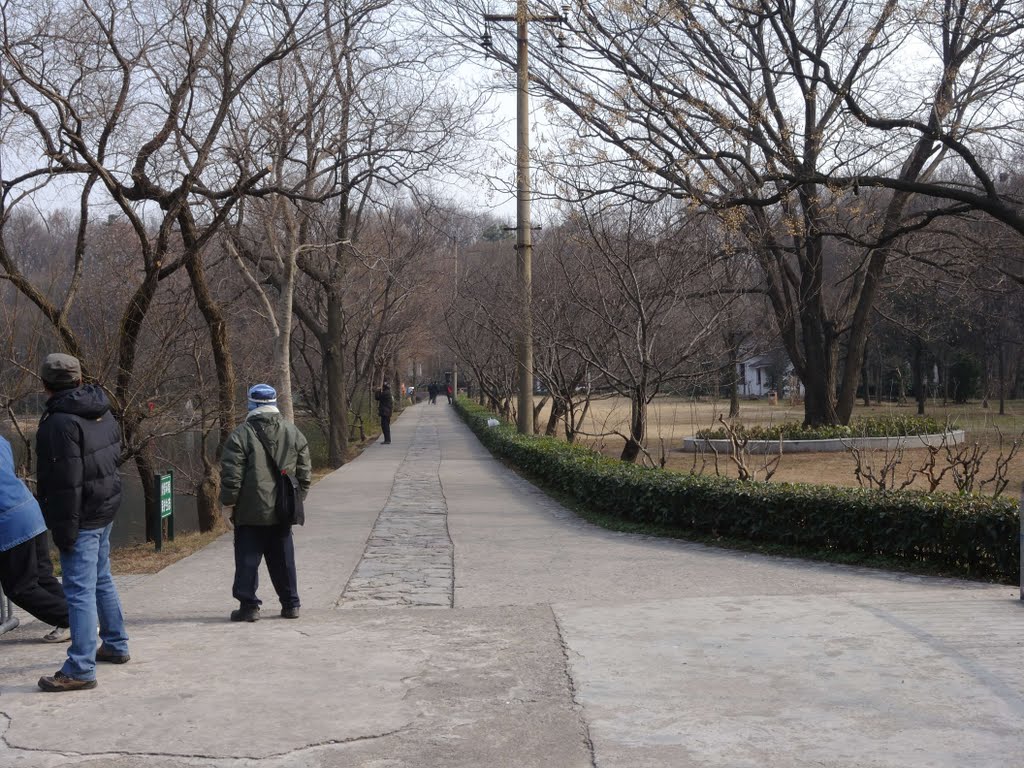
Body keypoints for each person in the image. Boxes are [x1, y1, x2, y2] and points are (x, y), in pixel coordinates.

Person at [35, 353, 129, 693]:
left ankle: (80, 667)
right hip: (104, 506)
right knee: (101, 578)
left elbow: (64, 482)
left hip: (82, 514)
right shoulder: (101, 409)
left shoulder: (59, 423)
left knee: (78, 591)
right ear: (78, 380)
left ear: (45, 384)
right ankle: (116, 644)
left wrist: (64, 530)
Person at [219, 384, 311, 623]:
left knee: (248, 559)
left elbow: (232, 476)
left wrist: (228, 504)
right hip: (282, 510)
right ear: (274, 403)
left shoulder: (241, 435)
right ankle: (291, 604)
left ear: (251, 404)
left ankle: (249, 607)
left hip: (250, 510)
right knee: (284, 558)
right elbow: (304, 473)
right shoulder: (293, 433)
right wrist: (296, 499)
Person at [0, 435, 70, 643]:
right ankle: (78, 618)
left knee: (20, 587)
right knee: (41, 577)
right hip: (28, 509)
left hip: (10, 521)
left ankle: (74, 620)